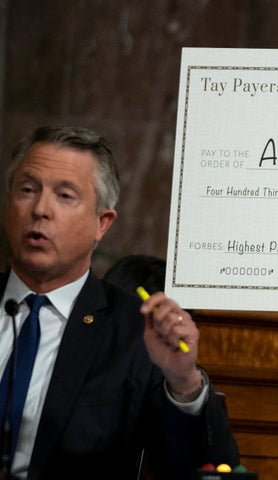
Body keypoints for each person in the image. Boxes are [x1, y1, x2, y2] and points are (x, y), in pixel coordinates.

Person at [0, 125, 240, 480]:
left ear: (102, 223)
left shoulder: (134, 332)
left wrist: (182, 380)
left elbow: (207, 469)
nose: (40, 209)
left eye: (65, 196)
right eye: (27, 190)